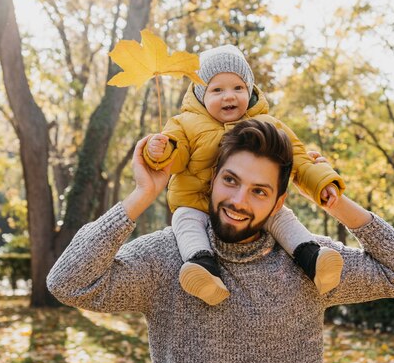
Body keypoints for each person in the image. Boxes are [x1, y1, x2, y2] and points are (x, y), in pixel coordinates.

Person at [47, 119, 394, 363]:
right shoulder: (166, 258)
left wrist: (335, 201)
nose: (238, 201)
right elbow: (67, 282)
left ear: (279, 200)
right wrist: (142, 194)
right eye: (231, 181)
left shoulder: (312, 264)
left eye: (259, 191)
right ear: (213, 179)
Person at [143, 44, 346, 305]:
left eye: (238, 88)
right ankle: (203, 268)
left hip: (250, 204)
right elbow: (177, 156)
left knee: (280, 216)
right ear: (200, 93)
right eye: (217, 90)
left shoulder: (267, 124)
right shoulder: (184, 124)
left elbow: (298, 157)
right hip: (194, 202)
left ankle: (314, 259)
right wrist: (160, 151)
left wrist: (323, 181)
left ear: (249, 90)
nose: (229, 96)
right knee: (184, 220)